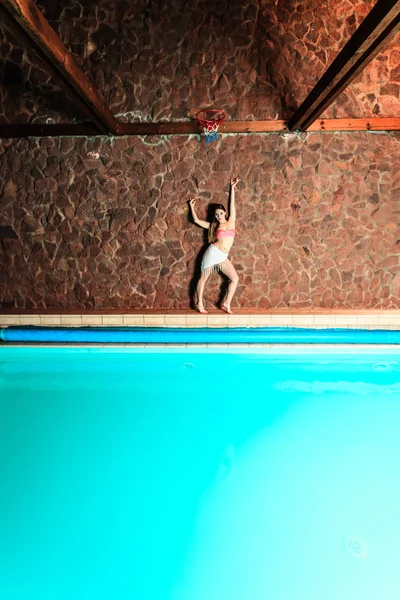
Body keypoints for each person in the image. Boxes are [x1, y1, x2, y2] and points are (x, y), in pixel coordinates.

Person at [189, 177, 240, 314]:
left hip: (223, 256)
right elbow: (196, 220)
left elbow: (232, 205)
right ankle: (199, 303)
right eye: (216, 215)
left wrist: (232, 187)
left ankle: (227, 302)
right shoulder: (214, 226)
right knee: (203, 277)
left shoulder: (231, 220)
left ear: (225, 213)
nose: (219, 216)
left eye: (221, 213)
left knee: (235, 278)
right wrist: (192, 207)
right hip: (213, 253)